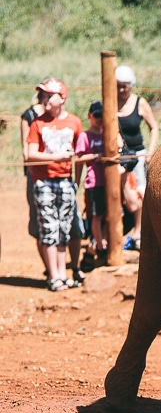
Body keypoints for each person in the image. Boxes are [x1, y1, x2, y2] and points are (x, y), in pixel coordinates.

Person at [25, 77, 83, 291]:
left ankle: (63, 273)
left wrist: (75, 181)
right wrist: (57, 157)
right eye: (43, 96)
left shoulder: (74, 122)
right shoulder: (37, 123)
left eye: (50, 95)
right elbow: (30, 154)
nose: (45, 99)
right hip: (44, 182)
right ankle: (54, 275)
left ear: (62, 98)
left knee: (64, 228)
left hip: (65, 182)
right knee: (48, 227)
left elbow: (79, 153)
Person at [115, 64, 158, 250]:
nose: (122, 90)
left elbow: (153, 127)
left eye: (125, 85)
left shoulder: (139, 102)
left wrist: (150, 151)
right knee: (116, 194)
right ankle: (115, 234)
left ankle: (139, 233)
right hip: (117, 157)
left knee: (140, 193)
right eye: (118, 85)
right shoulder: (109, 102)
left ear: (131, 85)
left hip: (137, 155)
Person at [75, 100, 108, 263]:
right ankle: (100, 246)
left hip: (108, 181)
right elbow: (78, 158)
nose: (99, 119)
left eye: (102, 115)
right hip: (94, 182)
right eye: (97, 116)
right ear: (90, 116)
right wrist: (96, 157)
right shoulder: (85, 136)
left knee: (110, 214)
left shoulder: (107, 133)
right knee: (96, 215)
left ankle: (103, 242)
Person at [20, 90, 45, 269]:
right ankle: (49, 268)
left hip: (58, 174)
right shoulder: (29, 116)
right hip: (36, 174)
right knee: (38, 219)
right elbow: (26, 151)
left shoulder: (61, 116)